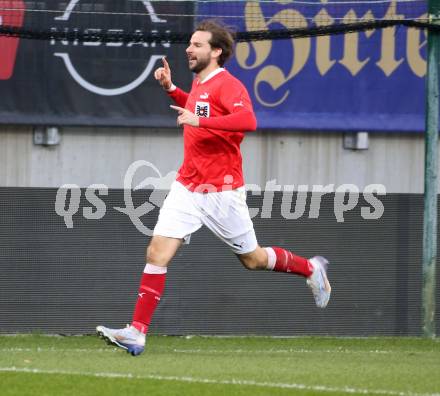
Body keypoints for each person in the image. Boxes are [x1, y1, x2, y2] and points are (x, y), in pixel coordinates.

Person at [96, 20, 331, 356]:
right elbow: (197, 107)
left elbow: (248, 120)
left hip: (221, 191)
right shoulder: (200, 83)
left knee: (252, 259)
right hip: (187, 185)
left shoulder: (228, 85)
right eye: (190, 44)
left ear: (216, 51)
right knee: (156, 252)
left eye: (197, 45)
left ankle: (311, 267)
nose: (189, 49)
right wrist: (171, 89)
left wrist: (199, 120)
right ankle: (137, 332)